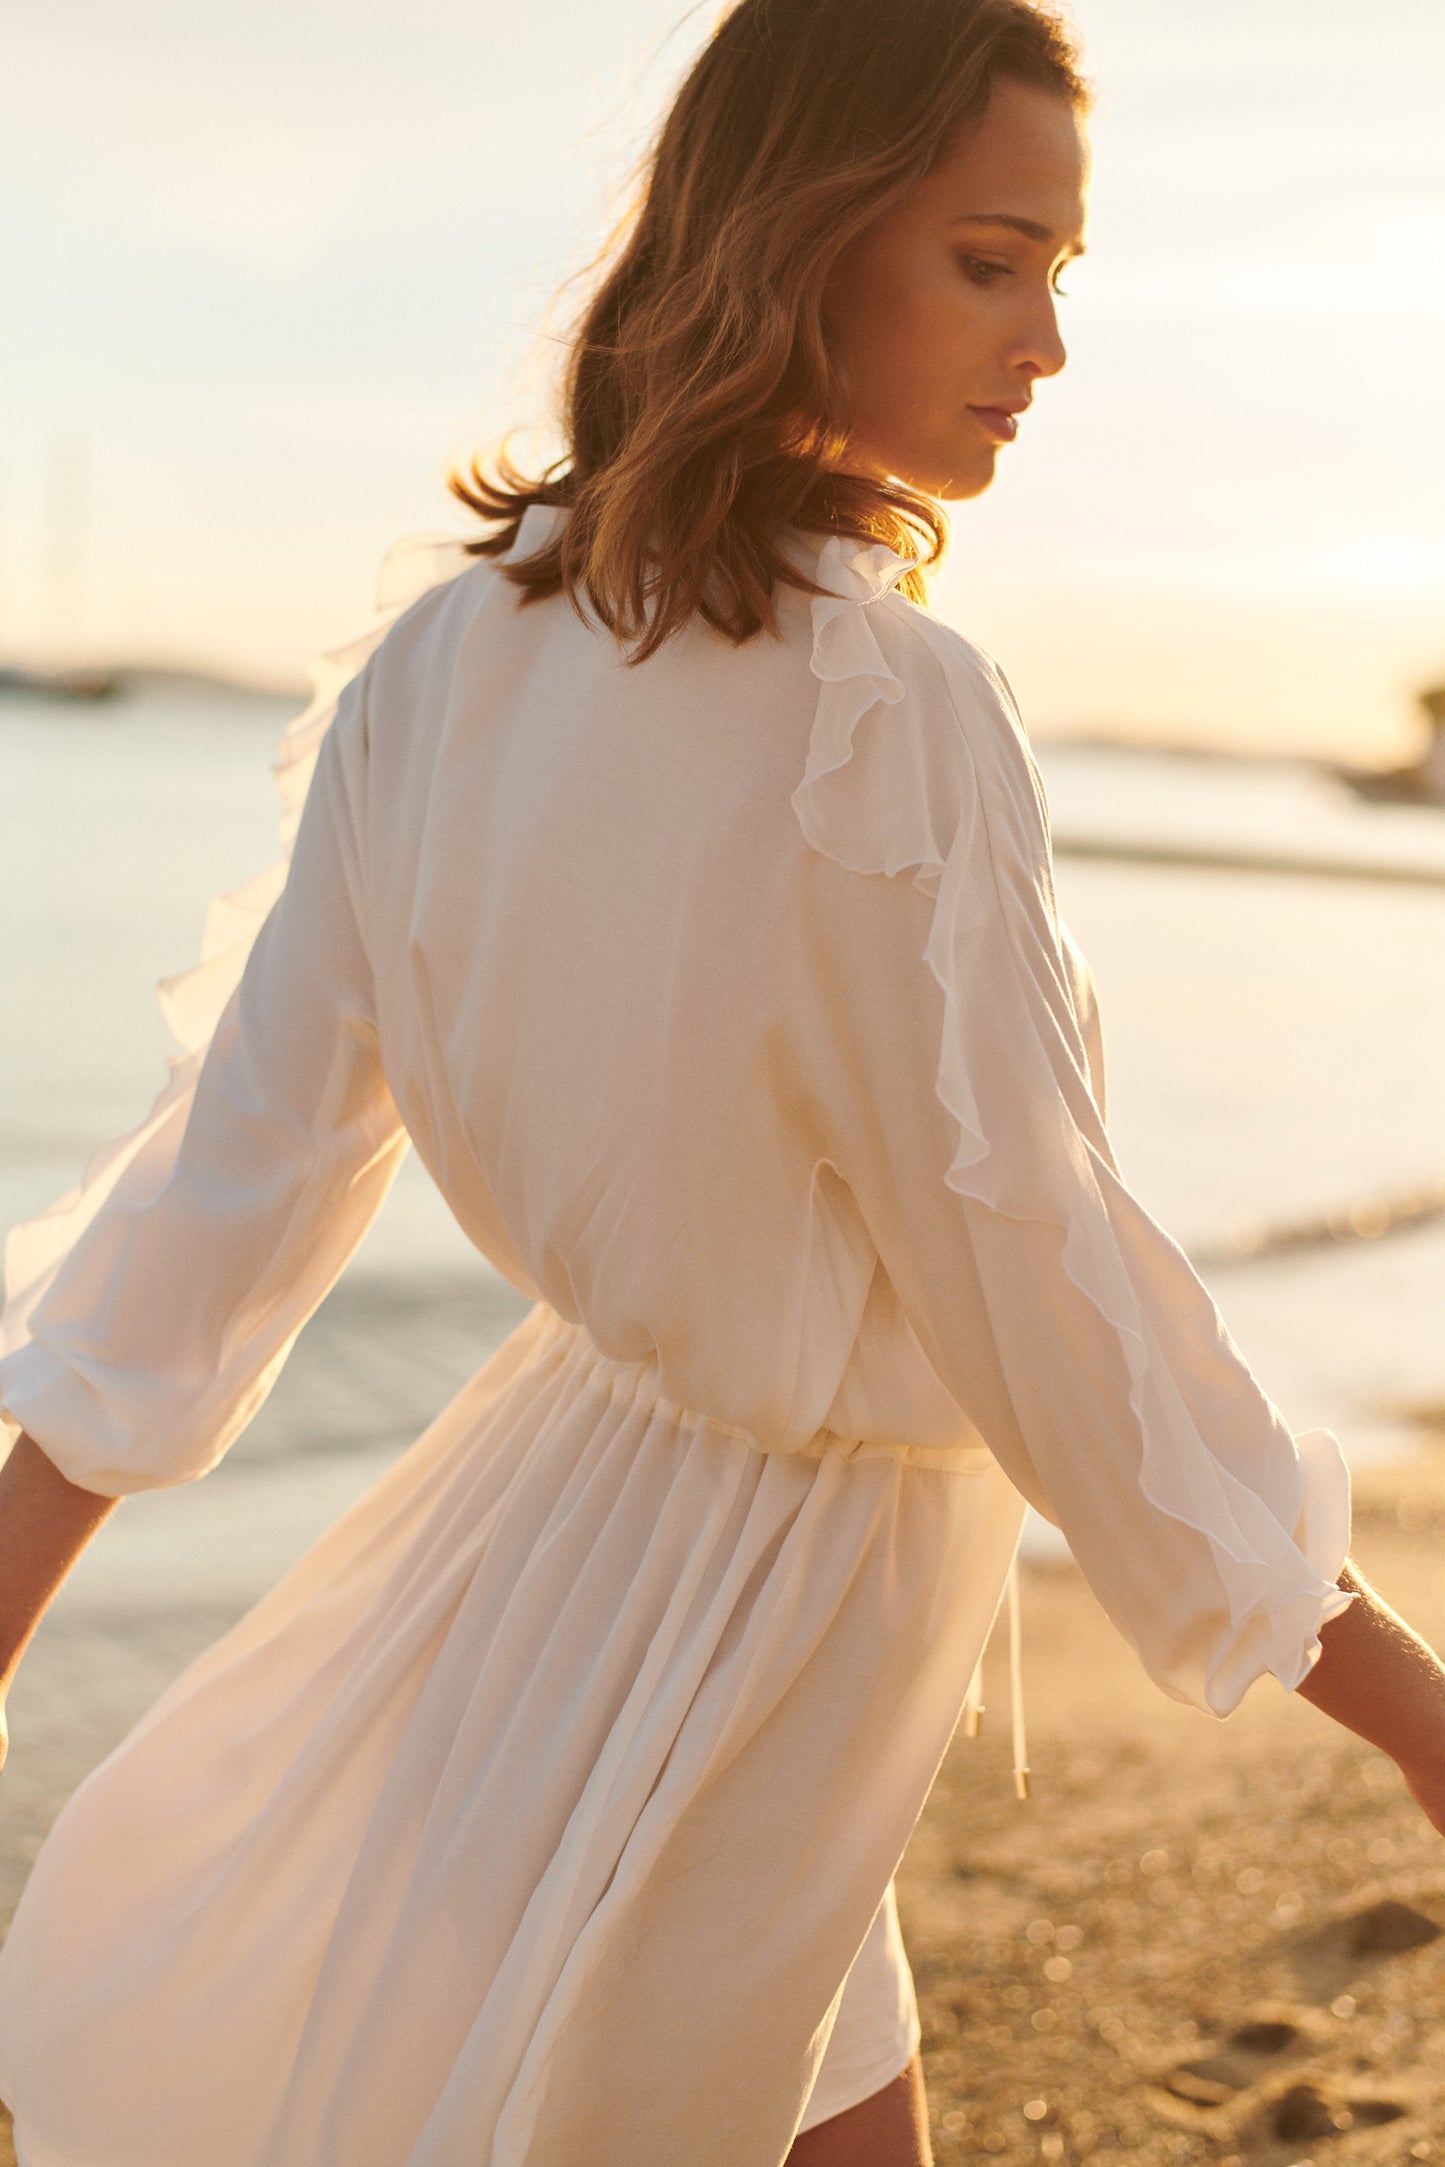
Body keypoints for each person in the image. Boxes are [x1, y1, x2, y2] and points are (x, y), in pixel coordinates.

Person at [1, 2, 1443, 2162]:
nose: (1044, 341)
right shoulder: (889, 711)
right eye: (987, 259)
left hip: (551, 1544)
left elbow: (229, 1181)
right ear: (799, 232)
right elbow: (1040, 1281)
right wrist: (1410, 1704)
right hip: (766, 1620)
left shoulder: (450, 653)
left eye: (1064, 269)